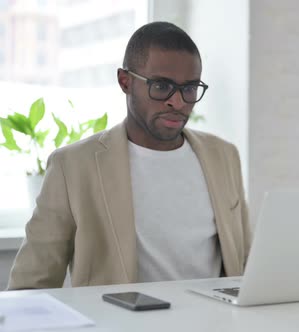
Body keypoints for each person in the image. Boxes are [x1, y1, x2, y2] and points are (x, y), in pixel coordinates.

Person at [7, 22, 251, 289]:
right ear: (126, 81)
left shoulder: (224, 156)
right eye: (161, 86)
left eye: (190, 88)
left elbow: (247, 263)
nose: (178, 102)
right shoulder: (73, 167)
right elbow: (31, 286)